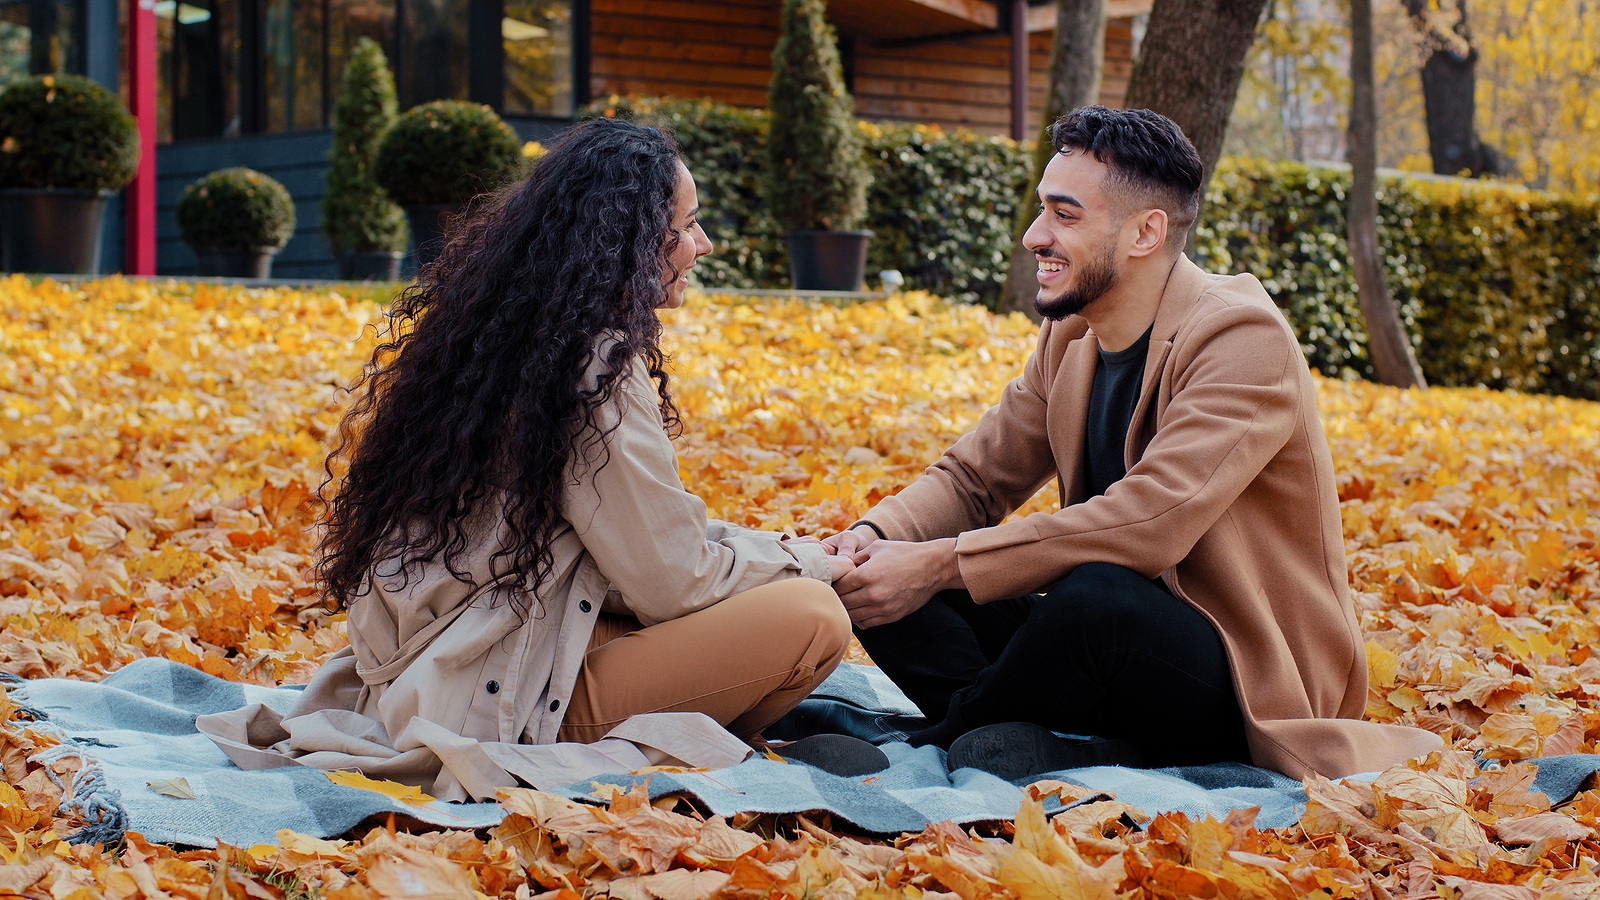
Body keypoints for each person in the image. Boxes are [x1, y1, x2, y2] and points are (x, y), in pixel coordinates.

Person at [198, 117, 876, 800]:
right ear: (633, 240)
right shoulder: (595, 362)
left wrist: (788, 549)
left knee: (750, 597)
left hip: (443, 665)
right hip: (498, 700)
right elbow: (674, 578)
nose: (702, 245)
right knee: (812, 618)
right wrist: (813, 563)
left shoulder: (503, 334)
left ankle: (706, 732)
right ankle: (688, 747)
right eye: (689, 225)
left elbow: (641, 549)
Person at [823, 106, 1442, 781]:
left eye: (1065, 216)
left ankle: (932, 742)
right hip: (1101, 648)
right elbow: (976, 477)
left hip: (1241, 675)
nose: (1035, 236)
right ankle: (1049, 740)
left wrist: (938, 562)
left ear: (1146, 232)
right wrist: (868, 538)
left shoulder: (1243, 339)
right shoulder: (1072, 335)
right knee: (889, 576)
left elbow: (1152, 524)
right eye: (1042, 212)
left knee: (1093, 599)